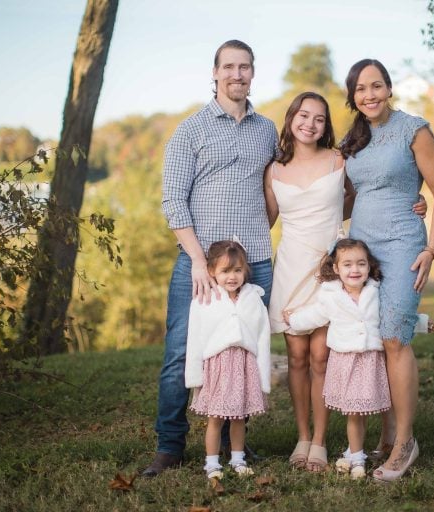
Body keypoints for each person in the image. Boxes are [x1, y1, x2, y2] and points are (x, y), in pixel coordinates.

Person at [263, 92, 427, 472]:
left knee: (322, 356)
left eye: (319, 118)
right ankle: (302, 437)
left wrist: (412, 199)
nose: (310, 124)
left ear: (326, 125)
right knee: (297, 358)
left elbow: (367, 193)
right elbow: (265, 220)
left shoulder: (339, 160)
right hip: (291, 265)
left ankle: (320, 442)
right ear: (291, 120)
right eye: (303, 116)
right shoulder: (273, 170)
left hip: (330, 266)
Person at [140, 39, 278, 477]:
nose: (237, 74)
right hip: (199, 265)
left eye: (245, 67)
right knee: (183, 354)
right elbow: (173, 202)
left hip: (253, 262)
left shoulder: (268, 131)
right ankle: (170, 445)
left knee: (244, 352)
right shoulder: (191, 129)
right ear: (215, 73)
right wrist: (199, 261)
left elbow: (280, 189)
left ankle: (237, 446)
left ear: (253, 73)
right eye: (229, 67)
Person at [341, 59, 434, 483]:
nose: (369, 94)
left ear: (389, 89)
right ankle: (386, 434)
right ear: (353, 96)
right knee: (374, 339)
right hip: (362, 251)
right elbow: (352, 197)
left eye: (376, 86)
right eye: (360, 88)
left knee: (394, 337)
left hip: (405, 243)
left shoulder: (414, 129)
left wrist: (431, 248)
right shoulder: (354, 138)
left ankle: (405, 443)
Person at [283, 239, 431, 480]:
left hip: (370, 361)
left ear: (369, 267)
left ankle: (356, 450)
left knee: (365, 410)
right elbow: (315, 316)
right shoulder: (330, 295)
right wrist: (294, 320)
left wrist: (422, 322)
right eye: (348, 264)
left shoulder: (375, 291)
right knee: (354, 413)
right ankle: (357, 455)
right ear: (336, 269)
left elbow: (394, 316)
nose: (355, 270)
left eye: (361, 264)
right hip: (346, 361)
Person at [185, 240, 271, 479]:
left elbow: (262, 337)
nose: (232, 276)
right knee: (216, 418)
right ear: (212, 271)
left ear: (245, 271)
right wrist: (195, 376)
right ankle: (212, 463)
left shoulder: (253, 299)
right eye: (225, 271)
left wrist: (263, 377)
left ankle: (237, 458)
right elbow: (195, 338)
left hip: (245, 365)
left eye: (237, 270)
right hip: (218, 367)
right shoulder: (206, 300)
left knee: (239, 418)